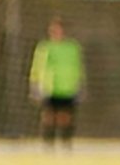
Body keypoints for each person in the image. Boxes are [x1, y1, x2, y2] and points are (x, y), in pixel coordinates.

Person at [29, 16, 84, 149]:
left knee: (65, 117)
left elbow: (78, 67)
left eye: (59, 30)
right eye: (54, 30)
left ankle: (66, 143)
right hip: (49, 87)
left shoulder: (72, 47)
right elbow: (37, 66)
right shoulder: (44, 47)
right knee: (48, 116)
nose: (56, 33)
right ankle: (48, 144)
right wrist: (34, 85)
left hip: (67, 87)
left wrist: (80, 84)